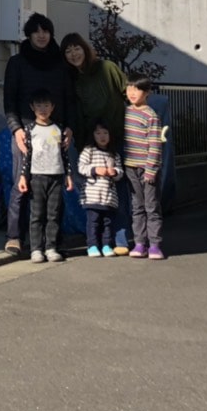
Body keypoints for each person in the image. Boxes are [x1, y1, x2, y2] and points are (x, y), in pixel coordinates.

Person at [3, 13, 74, 254]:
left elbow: (69, 99)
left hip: (55, 131)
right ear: (29, 34)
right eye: (36, 31)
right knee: (21, 183)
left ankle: (53, 240)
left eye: (46, 31)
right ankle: (14, 236)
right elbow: (9, 101)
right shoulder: (17, 62)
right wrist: (15, 129)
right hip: (25, 130)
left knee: (55, 185)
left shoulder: (60, 64)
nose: (41, 35)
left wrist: (69, 127)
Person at [63, 30, 130, 254]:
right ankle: (97, 241)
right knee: (94, 194)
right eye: (68, 51)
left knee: (118, 188)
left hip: (115, 138)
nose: (74, 54)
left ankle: (120, 239)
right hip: (89, 144)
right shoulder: (73, 80)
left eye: (76, 48)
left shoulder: (107, 68)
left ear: (85, 48)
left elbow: (128, 92)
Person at [17, 90, 72, 264]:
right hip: (36, 176)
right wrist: (23, 177)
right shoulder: (29, 129)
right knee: (36, 214)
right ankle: (36, 249)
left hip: (56, 176)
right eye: (39, 105)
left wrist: (68, 175)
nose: (43, 109)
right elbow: (27, 156)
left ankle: (51, 247)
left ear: (52, 107)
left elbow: (64, 154)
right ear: (32, 107)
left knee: (53, 214)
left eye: (46, 105)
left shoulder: (58, 128)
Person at [124, 76, 165, 260]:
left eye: (137, 89)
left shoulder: (151, 115)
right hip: (130, 166)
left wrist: (151, 169)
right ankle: (139, 243)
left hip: (148, 169)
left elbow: (155, 145)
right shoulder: (125, 112)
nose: (132, 93)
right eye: (129, 88)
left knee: (151, 206)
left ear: (147, 92)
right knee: (137, 206)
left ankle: (155, 245)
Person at [77, 121, 123, 257]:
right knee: (93, 222)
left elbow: (120, 172)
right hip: (92, 195)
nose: (102, 136)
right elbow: (81, 167)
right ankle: (92, 246)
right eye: (98, 133)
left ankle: (107, 245)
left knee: (107, 222)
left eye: (105, 133)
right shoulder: (89, 150)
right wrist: (95, 170)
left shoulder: (114, 154)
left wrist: (115, 172)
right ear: (92, 135)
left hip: (109, 197)